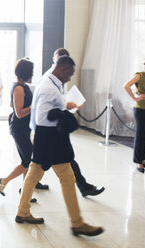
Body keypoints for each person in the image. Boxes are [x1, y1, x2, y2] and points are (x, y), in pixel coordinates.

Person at [16, 56, 104, 237]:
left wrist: (61, 106)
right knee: (67, 178)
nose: (70, 78)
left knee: (34, 175)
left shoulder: (48, 79)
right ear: (63, 69)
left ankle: (22, 211)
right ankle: (77, 223)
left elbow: (44, 112)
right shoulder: (49, 88)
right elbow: (43, 117)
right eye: (70, 74)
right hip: (51, 140)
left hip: (44, 138)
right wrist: (62, 113)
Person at [44, 48, 105, 197]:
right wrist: (67, 105)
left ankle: (83, 187)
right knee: (41, 164)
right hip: (51, 129)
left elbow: (60, 98)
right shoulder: (49, 79)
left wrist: (72, 103)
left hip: (55, 127)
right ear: (55, 59)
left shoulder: (57, 79)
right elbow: (52, 103)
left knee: (51, 162)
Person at [0, 58, 47, 199]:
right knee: (27, 161)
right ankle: (5, 181)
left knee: (28, 160)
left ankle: (26, 190)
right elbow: (19, 113)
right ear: (26, 72)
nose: (32, 73)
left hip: (23, 128)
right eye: (31, 71)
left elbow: (11, 105)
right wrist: (34, 107)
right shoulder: (19, 88)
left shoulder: (21, 86)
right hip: (19, 128)